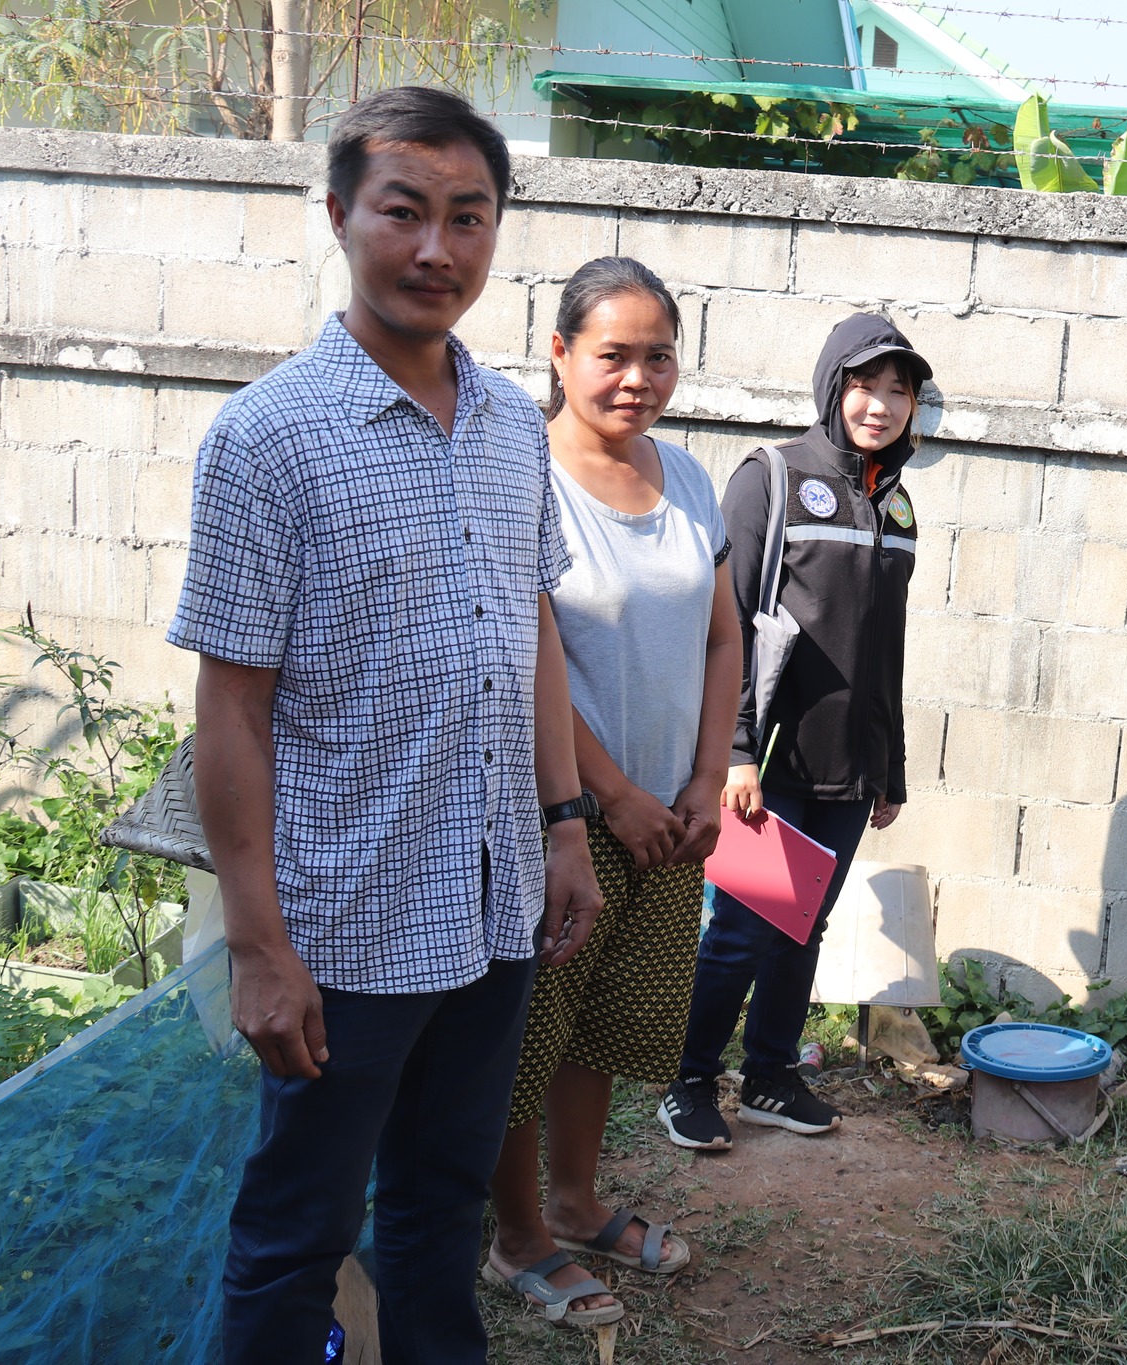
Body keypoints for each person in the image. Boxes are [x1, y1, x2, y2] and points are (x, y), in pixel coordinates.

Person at [172, 87, 603, 1363]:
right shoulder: (265, 439)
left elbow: (529, 633)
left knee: (440, 1204)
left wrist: (563, 827)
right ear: (339, 215)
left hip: (491, 907)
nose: (435, 249)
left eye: (467, 218)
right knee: (296, 1232)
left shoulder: (513, 428)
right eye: (403, 212)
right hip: (343, 928)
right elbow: (231, 708)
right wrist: (259, 945)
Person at [484, 258, 743, 1325]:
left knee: (602, 1028)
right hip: (563, 822)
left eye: (658, 356)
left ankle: (579, 1201)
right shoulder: (521, 476)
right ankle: (514, 1237)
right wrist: (615, 798)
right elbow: (527, 652)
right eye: (612, 355)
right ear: (558, 355)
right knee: (528, 1031)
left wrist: (701, 775)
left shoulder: (685, 477)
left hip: (670, 824)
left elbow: (724, 636)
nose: (637, 378)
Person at [658, 313, 928, 1150]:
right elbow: (728, 623)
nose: (880, 405)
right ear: (832, 384)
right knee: (742, 928)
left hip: (850, 764)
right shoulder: (771, 479)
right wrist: (735, 750)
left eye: (899, 391)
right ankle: (690, 1080)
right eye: (864, 384)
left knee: (801, 925)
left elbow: (888, 647)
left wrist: (893, 767)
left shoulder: (898, 504)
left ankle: (771, 1073)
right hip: (770, 760)